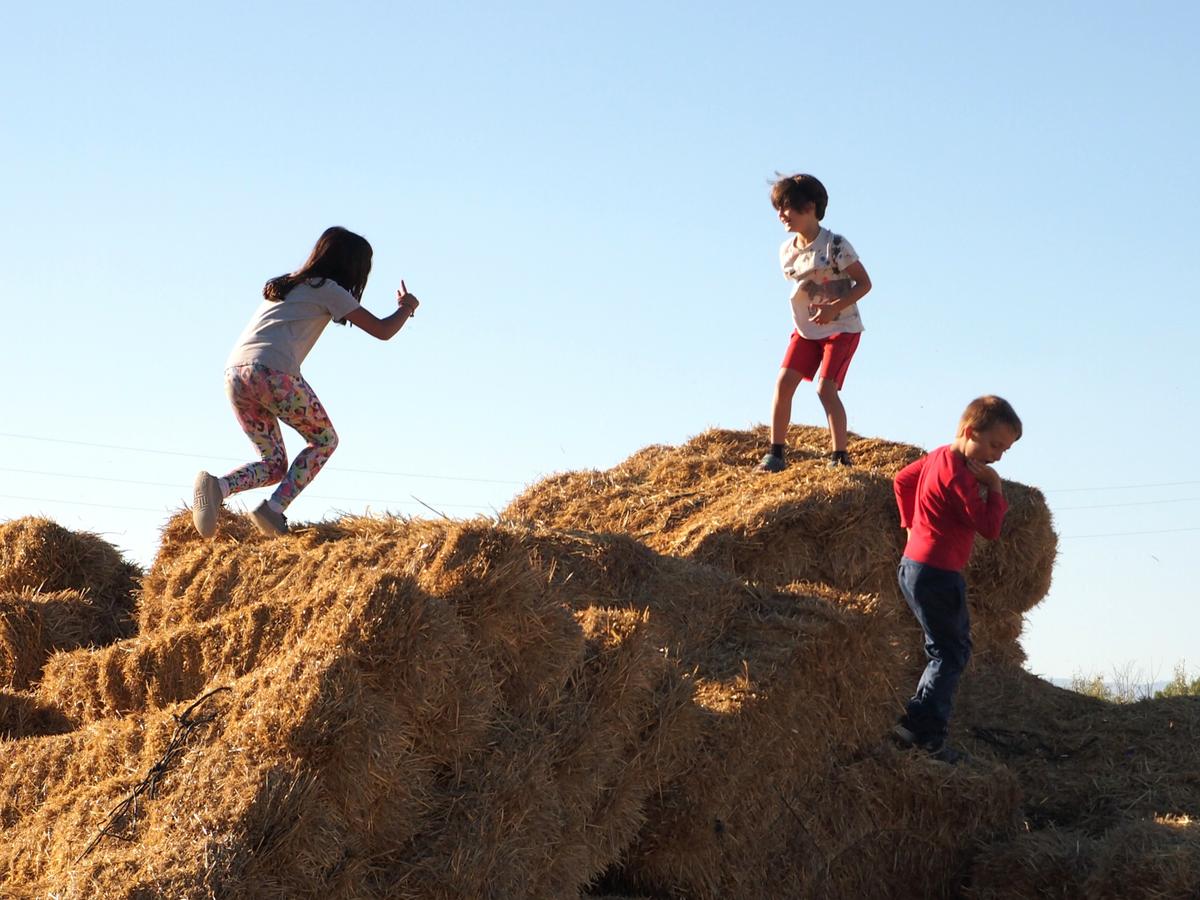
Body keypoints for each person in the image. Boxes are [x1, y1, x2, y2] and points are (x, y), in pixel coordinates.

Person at [191, 226, 420, 538]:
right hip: (273, 372)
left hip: (235, 374)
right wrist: (407, 307)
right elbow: (382, 330)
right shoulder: (327, 288)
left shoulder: (286, 285)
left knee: (274, 465)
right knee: (325, 440)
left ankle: (218, 487)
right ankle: (273, 510)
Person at [891, 396, 1023, 763]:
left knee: (943, 650)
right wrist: (994, 488)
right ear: (969, 431)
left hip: (913, 566)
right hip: (938, 574)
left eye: (1005, 450)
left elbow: (902, 481)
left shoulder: (937, 457)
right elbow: (990, 527)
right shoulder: (960, 477)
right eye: (994, 445)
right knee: (951, 653)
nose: (998, 457)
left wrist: (909, 526)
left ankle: (914, 724)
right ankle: (926, 735)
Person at [757, 173, 872, 472]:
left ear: (810, 207)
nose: (782, 215)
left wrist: (834, 308)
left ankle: (840, 456)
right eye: (779, 208)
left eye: (787, 207)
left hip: (841, 328)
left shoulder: (836, 245)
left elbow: (864, 283)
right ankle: (776, 453)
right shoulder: (786, 250)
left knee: (825, 389)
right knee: (783, 383)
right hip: (806, 329)